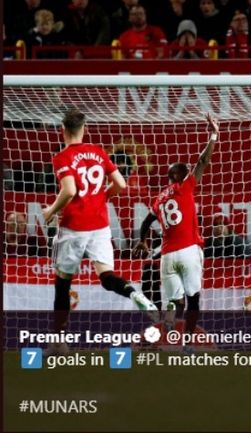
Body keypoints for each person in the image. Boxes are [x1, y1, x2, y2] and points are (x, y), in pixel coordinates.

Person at [44, 109, 157, 355]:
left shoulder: (62, 157)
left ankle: (59, 343)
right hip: (100, 226)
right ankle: (132, 292)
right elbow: (121, 183)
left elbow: (70, 191)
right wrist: (102, 196)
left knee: (63, 284)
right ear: (84, 129)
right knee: (107, 278)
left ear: (63, 130)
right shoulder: (97, 152)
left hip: (74, 227)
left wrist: (50, 211)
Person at [134, 113, 219, 345]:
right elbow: (202, 162)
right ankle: (188, 343)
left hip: (167, 255)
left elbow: (145, 222)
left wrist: (142, 240)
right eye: (187, 170)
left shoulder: (159, 198)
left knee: (175, 301)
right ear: (182, 176)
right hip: (189, 250)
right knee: (193, 300)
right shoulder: (185, 187)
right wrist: (213, 135)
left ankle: (166, 327)